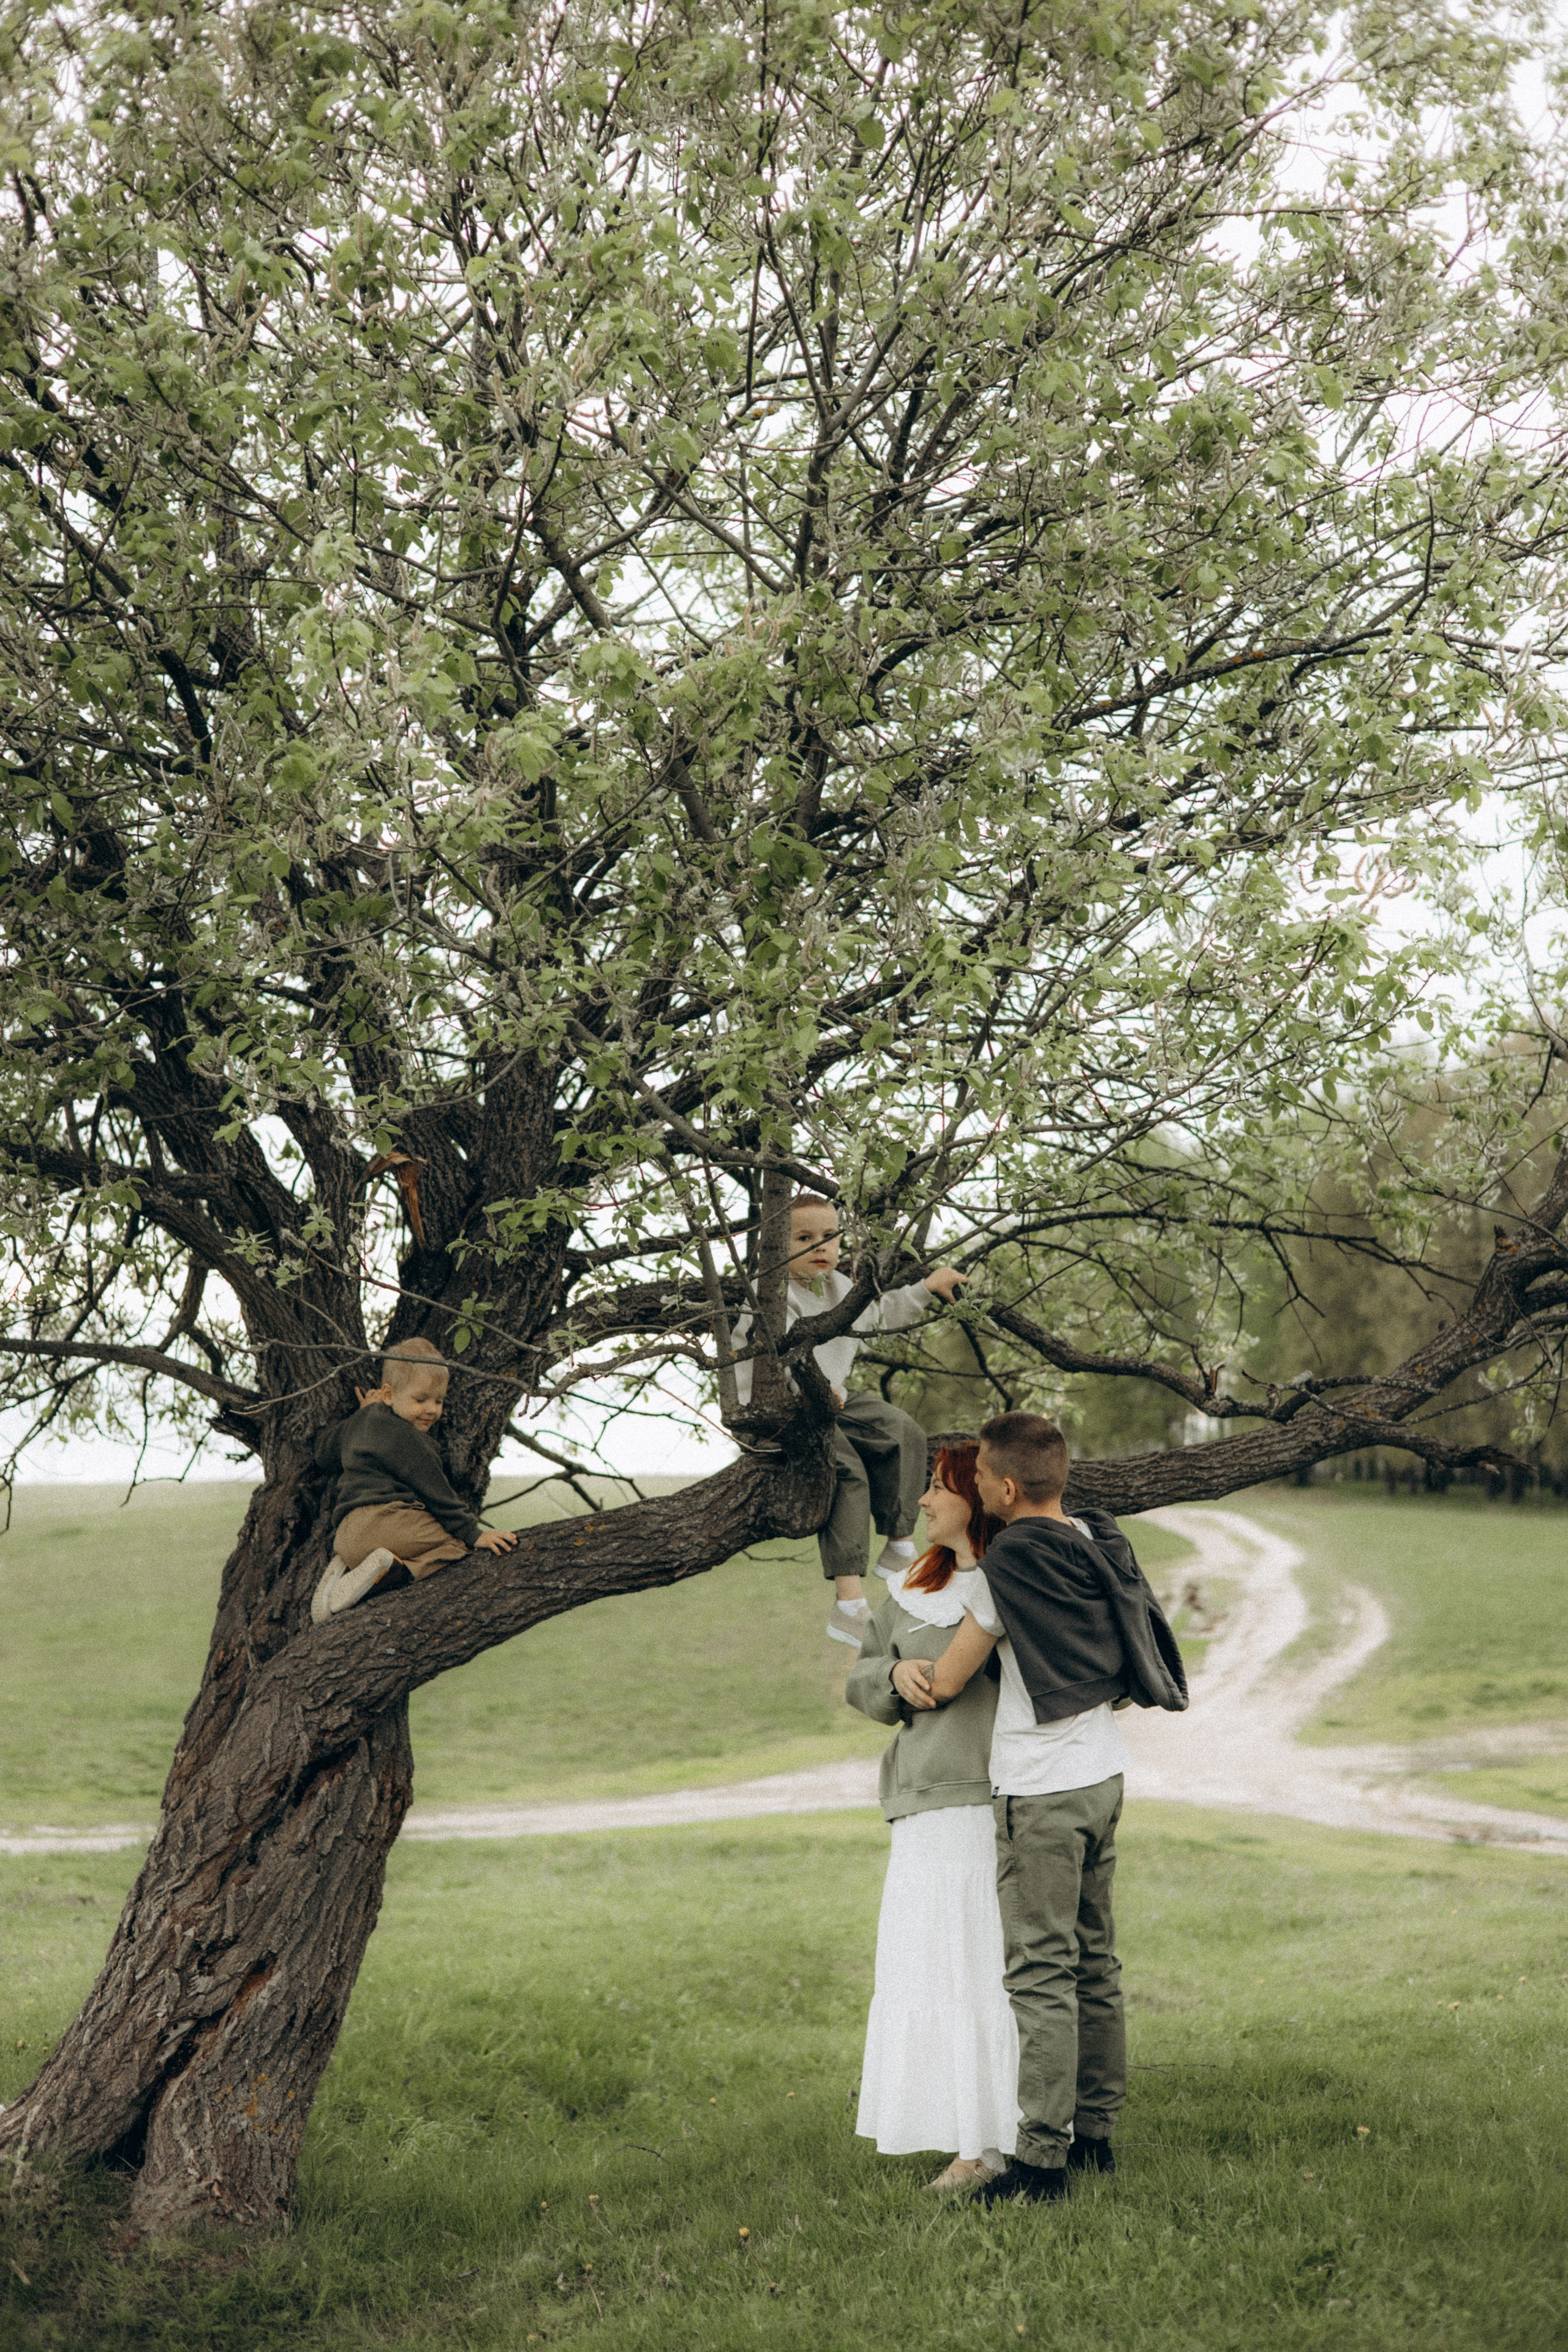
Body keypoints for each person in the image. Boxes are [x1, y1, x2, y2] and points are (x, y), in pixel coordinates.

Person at [899, 1410, 1186, 2207]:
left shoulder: (1008, 1568)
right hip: (1103, 1778)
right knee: (1096, 1962)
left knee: (1041, 1974)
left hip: (1043, 1793)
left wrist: (904, 1669)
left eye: (983, 1474)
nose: (977, 1484)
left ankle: (1040, 2164)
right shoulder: (1096, 1539)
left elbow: (951, 1679)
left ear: (1008, 1486)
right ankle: (1094, 2135)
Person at [846, 1441, 1017, 2191]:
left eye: (937, 1489)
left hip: (986, 1798)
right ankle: (957, 2132)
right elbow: (857, 1678)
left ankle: (987, 2147)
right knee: (926, 1969)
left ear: (976, 1497)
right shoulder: (911, 1588)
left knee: (978, 1969)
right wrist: (889, 1673)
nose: (920, 1503)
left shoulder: (1013, 1582)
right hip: (918, 1803)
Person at [731, 1193, 967, 1647]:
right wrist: (812, 1393)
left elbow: (878, 1315)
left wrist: (925, 1288)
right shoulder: (770, 1297)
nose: (821, 1246)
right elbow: (766, 1366)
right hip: (774, 1411)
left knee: (901, 1429)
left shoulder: (839, 1286)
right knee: (847, 1470)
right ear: (777, 1247)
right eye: (804, 1238)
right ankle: (849, 1603)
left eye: (829, 1236)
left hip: (831, 1397)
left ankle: (899, 1543)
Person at [309, 1338, 518, 1622]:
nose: (431, 1409)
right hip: (387, 1524)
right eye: (420, 1400)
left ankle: (347, 1570)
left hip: (346, 1532)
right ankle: (386, 1571)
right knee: (457, 1547)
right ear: (388, 1394)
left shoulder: (362, 1422)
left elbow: (323, 1455)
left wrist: (360, 1415)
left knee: (440, 1541)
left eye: (439, 1401)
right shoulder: (407, 1439)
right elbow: (436, 1493)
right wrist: (475, 1534)